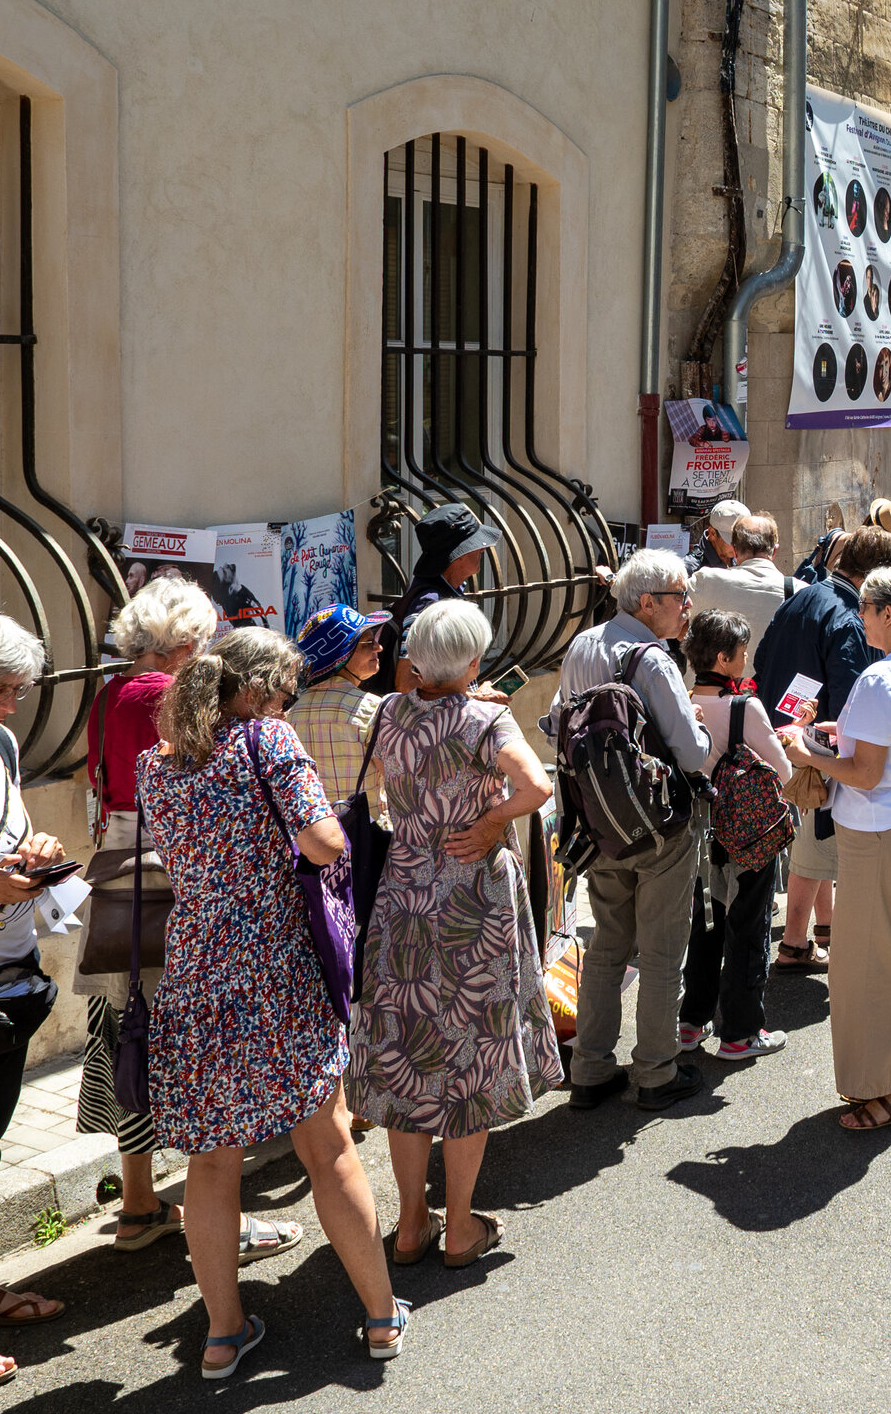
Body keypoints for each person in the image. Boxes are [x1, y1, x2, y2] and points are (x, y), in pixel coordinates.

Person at [139, 631, 406, 1378]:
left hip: (196, 975)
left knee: (211, 1165)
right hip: (276, 972)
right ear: (256, 690)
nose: (288, 704)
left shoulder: (157, 763)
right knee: (328, 1148)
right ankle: (381, 1316)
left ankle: (223, 1336)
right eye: (285, 692)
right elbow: (324, 842)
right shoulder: (268, 740)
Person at [347, 601, 560, 1267]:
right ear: (472, 661)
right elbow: (537, 787)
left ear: (413, 661)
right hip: (474, 898)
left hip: (405, 894)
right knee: (472, 1054)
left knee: (409, 1053)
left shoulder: (384, 712)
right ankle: (461, 1226)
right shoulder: (487, 719)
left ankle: (412, 1223)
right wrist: (492, 822)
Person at [79, 578, 272, 1260]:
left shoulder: (108, 694)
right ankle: (217, 1219)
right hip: (170, 873)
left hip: (118, 873)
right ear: (187, 641)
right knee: (187, 1044)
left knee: (126, 1030)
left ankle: (139, 1203)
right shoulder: (170, 696)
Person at [779, 568, 891, 1131]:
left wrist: (805, 754)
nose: (860, 615)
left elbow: (865, 774)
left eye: (867, 606)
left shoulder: (883, 677)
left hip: (880, 835)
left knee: (873, 970)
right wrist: (838, 733)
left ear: (889, 615)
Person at [552, 550, 713, 1111]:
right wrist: (699, 728)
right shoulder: (653, 660)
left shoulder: (583, 645)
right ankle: (656, 1072)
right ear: (648, 603)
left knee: (607, 946)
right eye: (681, 597)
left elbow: (556, 723)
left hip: (597, 825)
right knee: (663, 953)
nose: (687, 606)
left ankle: (591, 1069)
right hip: (659, 826)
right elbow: (692, 754)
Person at [753, 526, 891, 970]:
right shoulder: (851, 617)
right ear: (876, 574)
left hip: (782, 732)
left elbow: (761, 658)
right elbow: (854, 696)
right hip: (819, 744)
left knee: (813, 837)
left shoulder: (803, 594)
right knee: (817, 842)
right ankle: (795, 942)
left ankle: (821, 930)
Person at [0, 616, 69, 1377]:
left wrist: (38, 849)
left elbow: (12, 831)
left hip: (9, 974)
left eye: (17, 689)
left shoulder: (3, 744)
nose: (10, 704)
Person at [681, 611, 793, 1060]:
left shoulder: (681, 702)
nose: (746, 659)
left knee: (704, 926)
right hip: (746, 832)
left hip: (697, 834)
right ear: (723, 659)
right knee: (748, 926)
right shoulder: (744, 708)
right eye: (742, 652)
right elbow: (782, 771)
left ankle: (691, 1022)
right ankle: (740, 1034)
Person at [368, 502, 502, 694]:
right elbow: (405, 682)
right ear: (459, 554)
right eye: (476, 545)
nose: (482, 550)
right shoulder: (428, 604)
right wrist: (473, 698)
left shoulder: (449, 592)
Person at [287, 603, 390, 811]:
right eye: (367, 642)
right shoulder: (372, 708)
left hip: (315, 829)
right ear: (342, 655)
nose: (378, 647)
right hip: (367, 827)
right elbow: (395, 780)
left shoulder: (291, 713)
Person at [687, 513, 798, 649]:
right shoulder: (801, 591)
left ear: (734, 550)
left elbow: (673, 620)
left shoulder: (704, 581)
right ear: (774, 551)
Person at [689, 499, 750, 576]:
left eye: (742, 541)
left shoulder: (746, 560)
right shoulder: (692, 568)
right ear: (712, 533)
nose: (739, 548)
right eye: (733, 542)